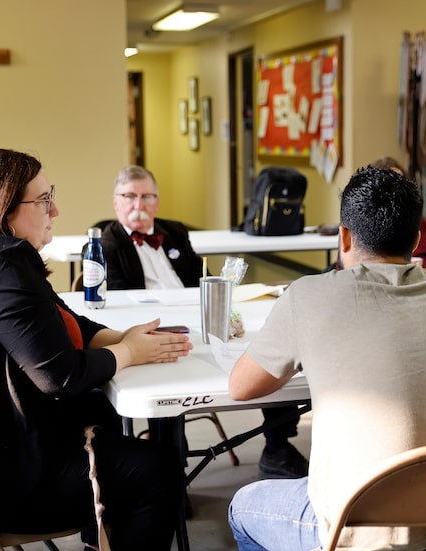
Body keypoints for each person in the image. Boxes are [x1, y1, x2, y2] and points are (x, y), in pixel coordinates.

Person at [0, 149, 193, 551]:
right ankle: (104, 526)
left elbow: (61, 319)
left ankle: (100, 535)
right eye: (42, 200)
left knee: (105, 411)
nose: (54, 209)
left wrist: (125, 336)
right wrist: (129, 353)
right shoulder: (0, 269)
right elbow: (60, 376)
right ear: (5, 210)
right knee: (159, 471)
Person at [227, 166, 426, 550]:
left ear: (343, 236)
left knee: (242, 507)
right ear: (417, 239)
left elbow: (241, 387)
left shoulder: (308, 295)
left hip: (363, 530)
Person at [95, 165, 308, 479]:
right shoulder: (107, 243)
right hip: (153, 327)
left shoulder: (175, 231)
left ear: (156, 200)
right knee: (165, 379)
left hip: (197, 317)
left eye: (146, 196)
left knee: (270, 344)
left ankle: (277, 445)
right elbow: (118, 301)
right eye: (129, 197)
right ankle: (171, 466)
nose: (138, 205)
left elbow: (199, 279)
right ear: (116, 201)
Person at [370, 156, 426, 271]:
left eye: (401, 183)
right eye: (390, 185)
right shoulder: (366, 228)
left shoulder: (424, 226)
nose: (396, 191)